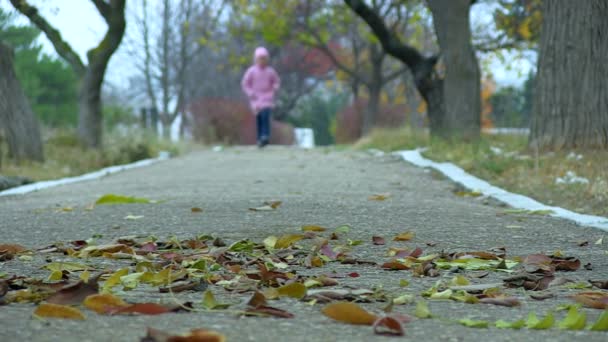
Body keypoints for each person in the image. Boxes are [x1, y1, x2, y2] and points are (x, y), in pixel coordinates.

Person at [241, 47, 281, 147]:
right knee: (259, 118)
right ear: (256, 59)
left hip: (267, 97)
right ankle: (260, 139)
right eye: (260, 58)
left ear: (267, 59)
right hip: (256, 98)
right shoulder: (251, 71)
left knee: (265, 116)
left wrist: (274, 88)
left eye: (264, 58)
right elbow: (245, 83)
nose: (262, 61)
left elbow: (276, 81)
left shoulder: (270, 71)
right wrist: (250, 93)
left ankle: (265, 136)